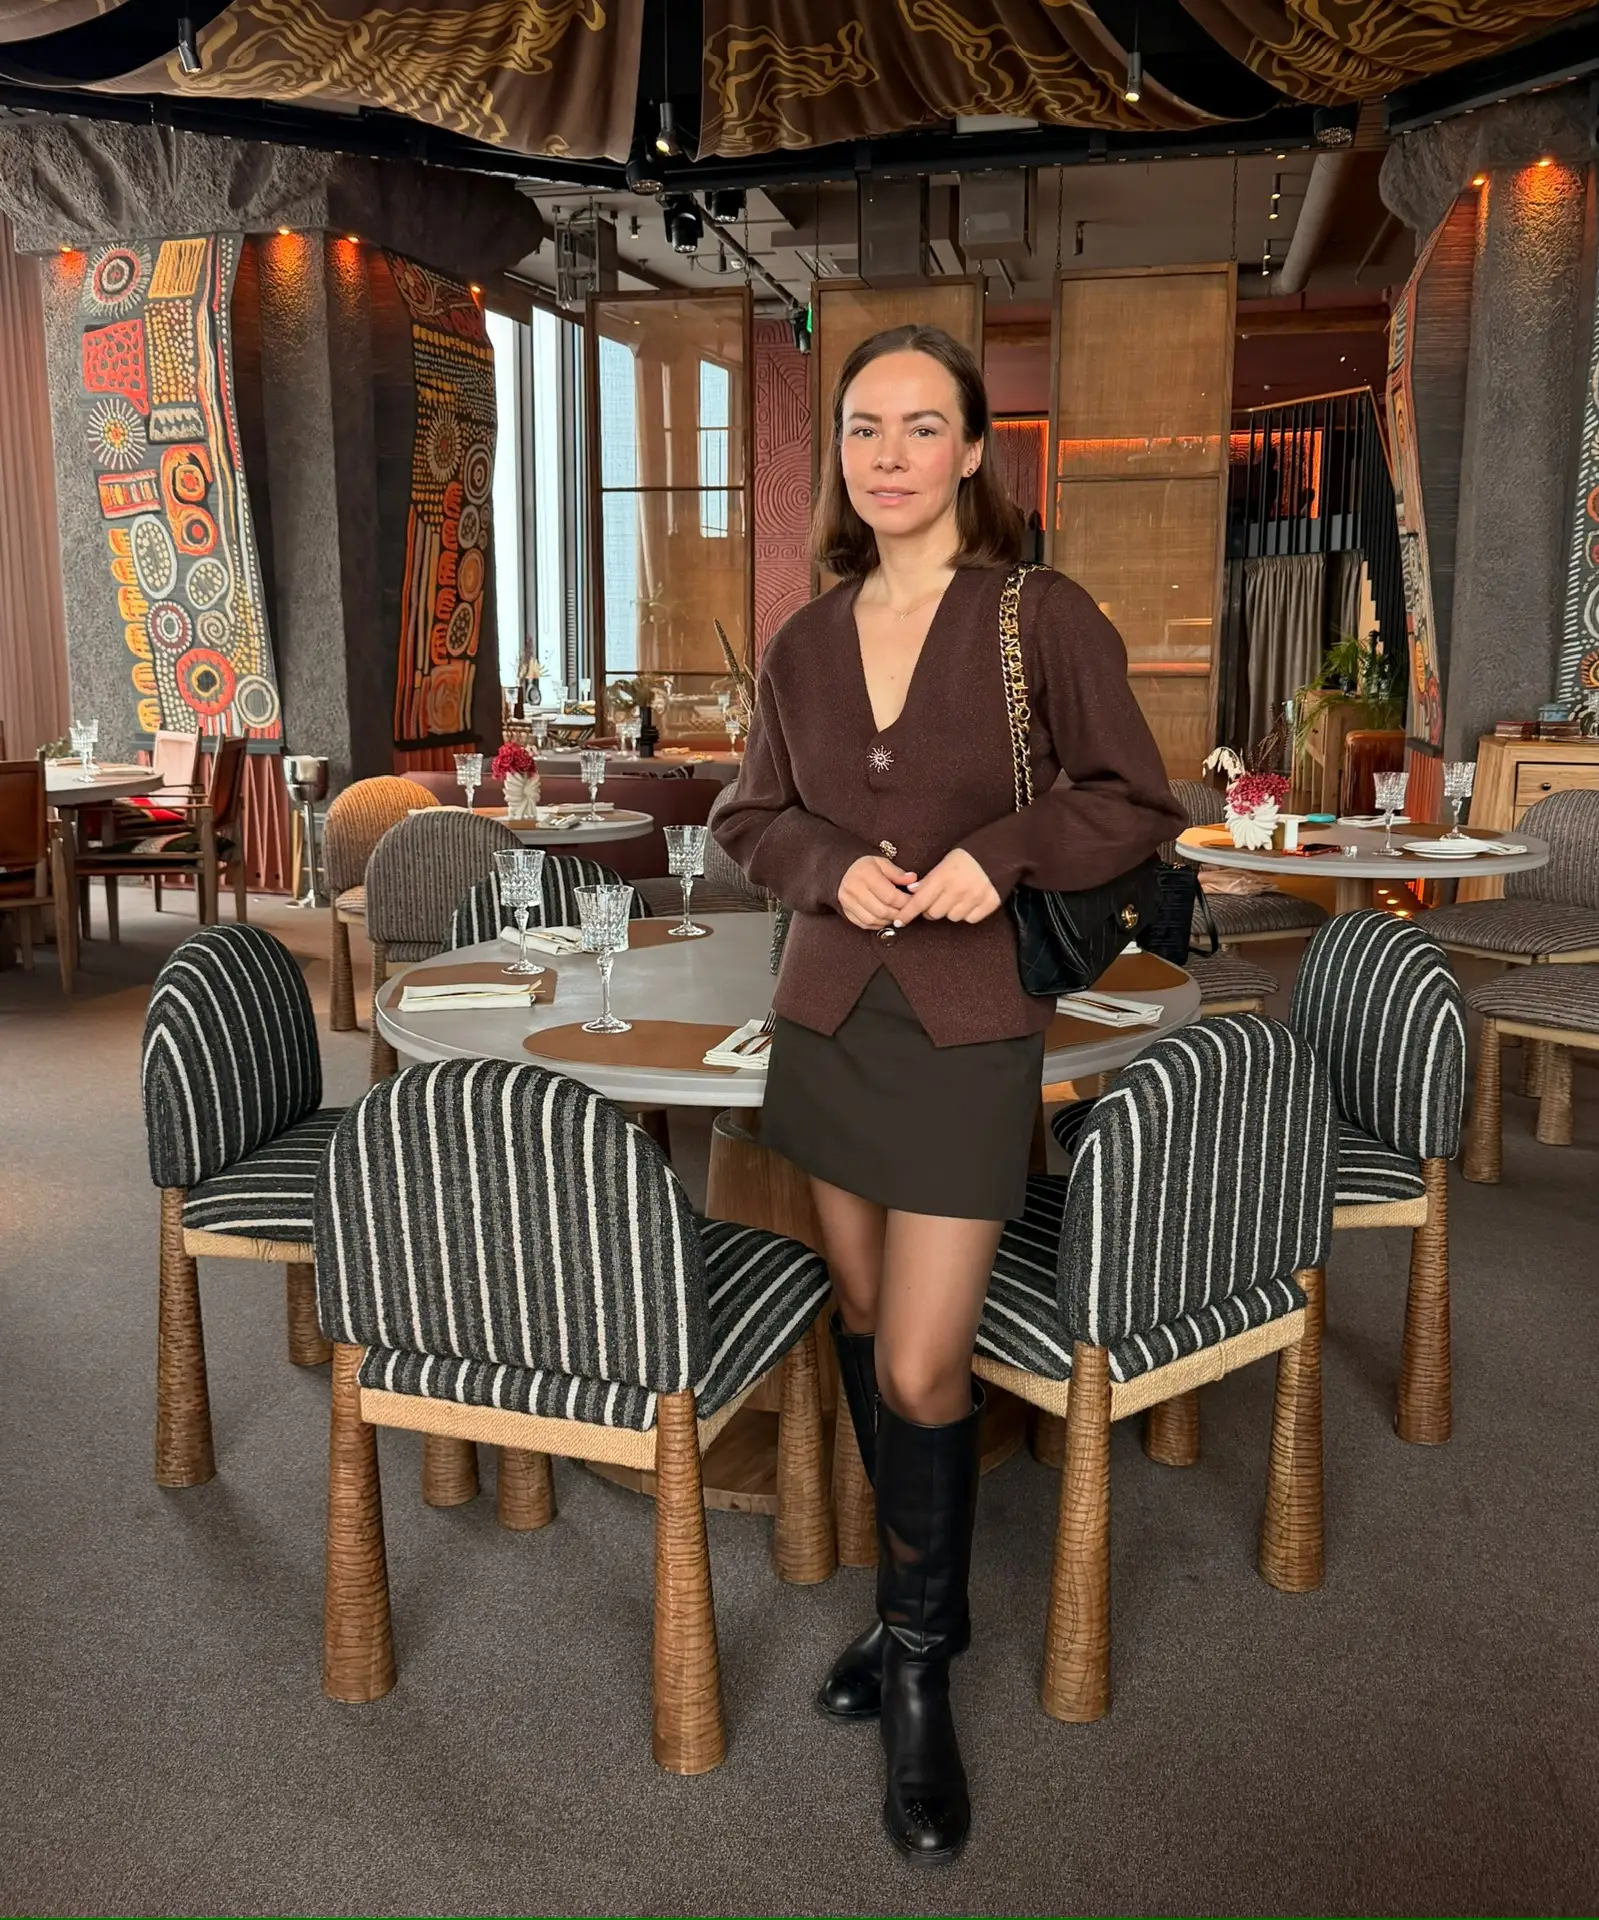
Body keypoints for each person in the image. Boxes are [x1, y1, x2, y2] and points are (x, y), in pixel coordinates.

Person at [714, 324, 1183, 1862]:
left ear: (975, 449)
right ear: (840, 453)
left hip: (970, 1025)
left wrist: (1003, 852)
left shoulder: (1039, 615)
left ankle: (918, 1665)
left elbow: (1133, 798)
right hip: (826, 1017)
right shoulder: (801, 640)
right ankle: (912, 1603)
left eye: (924, 426)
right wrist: (819, 863)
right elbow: (747, 814)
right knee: (859, 1318)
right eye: (866, 426)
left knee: (921, 1365)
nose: (892, 454)